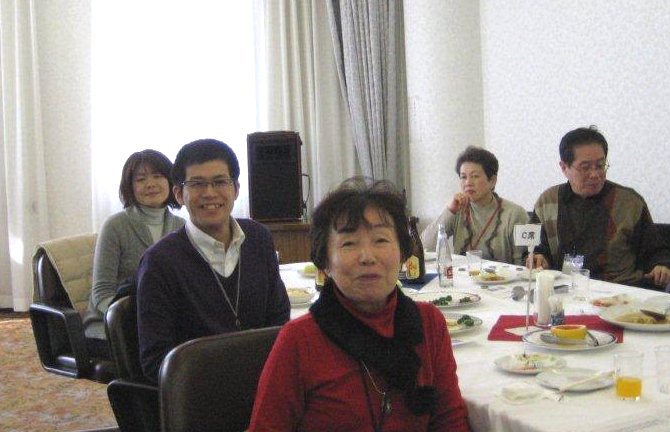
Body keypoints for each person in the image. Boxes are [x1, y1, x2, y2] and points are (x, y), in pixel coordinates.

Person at [249, 177, 470, 432]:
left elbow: (450, 421)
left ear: (402, 253)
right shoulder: (300, 340)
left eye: (381, 240)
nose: (367, 257)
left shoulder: (428, 323)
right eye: (349, 243)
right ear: (325, 262)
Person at [137, 138, 290, 383]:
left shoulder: (258, 238)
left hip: (265, 382)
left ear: (236, 189)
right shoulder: (160, 261)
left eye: (220, 182)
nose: (209, 193)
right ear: (179, 194)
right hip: (200, 393)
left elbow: (279, 320)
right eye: (197, 184)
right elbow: (155, 360)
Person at [528, 126, 670, 289]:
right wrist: (538, 257)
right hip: (564, 290)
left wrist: (661, 265)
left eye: (600, 165)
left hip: (619, 291)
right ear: (564, 167)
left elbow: (655, 250)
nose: (595, 174)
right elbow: (536, 249)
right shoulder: (547, 201)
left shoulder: (629, 203)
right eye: (585, 167)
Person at [83, 149, 185, 344]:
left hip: (165, 322)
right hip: (113, 324)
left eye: (158, 176)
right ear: (130, 187)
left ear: (171, 182)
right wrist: (140, 320)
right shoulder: (115, 226)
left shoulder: (182, 227)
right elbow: (101, 293)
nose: (150, 184)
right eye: (140, 179)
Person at [421, 146, 529, 265]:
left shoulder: (515, 214)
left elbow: (523, 264)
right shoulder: (458, 210)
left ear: (492, 181)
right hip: (462, 276)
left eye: (475, 176)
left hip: (502, 277)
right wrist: (450, 211)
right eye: (463, 177)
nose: (468, 183)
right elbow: (424, 246)